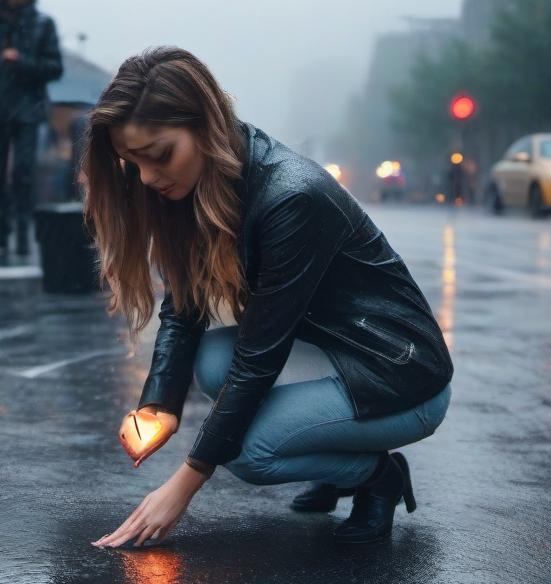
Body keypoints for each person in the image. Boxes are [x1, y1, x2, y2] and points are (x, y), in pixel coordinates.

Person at [85, 48, 453, 548]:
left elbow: (260, 357)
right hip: (334, 350)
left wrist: (182, 488)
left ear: (205, 126)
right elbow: (183, 308)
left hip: (402, 375)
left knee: (248, 453)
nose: (147, 178)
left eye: (159, 155)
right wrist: (160, 405)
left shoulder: (291, 197)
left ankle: (376, 477)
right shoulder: (195, 186)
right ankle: (337, 462)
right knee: (213, 361)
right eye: (134, 163)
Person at [0, 0, 63, 255]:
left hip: (27, 110)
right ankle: (1, 229)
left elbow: (54, 67)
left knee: (23, 171)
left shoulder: (43, 24)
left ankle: (21, 229)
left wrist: (22, 61)